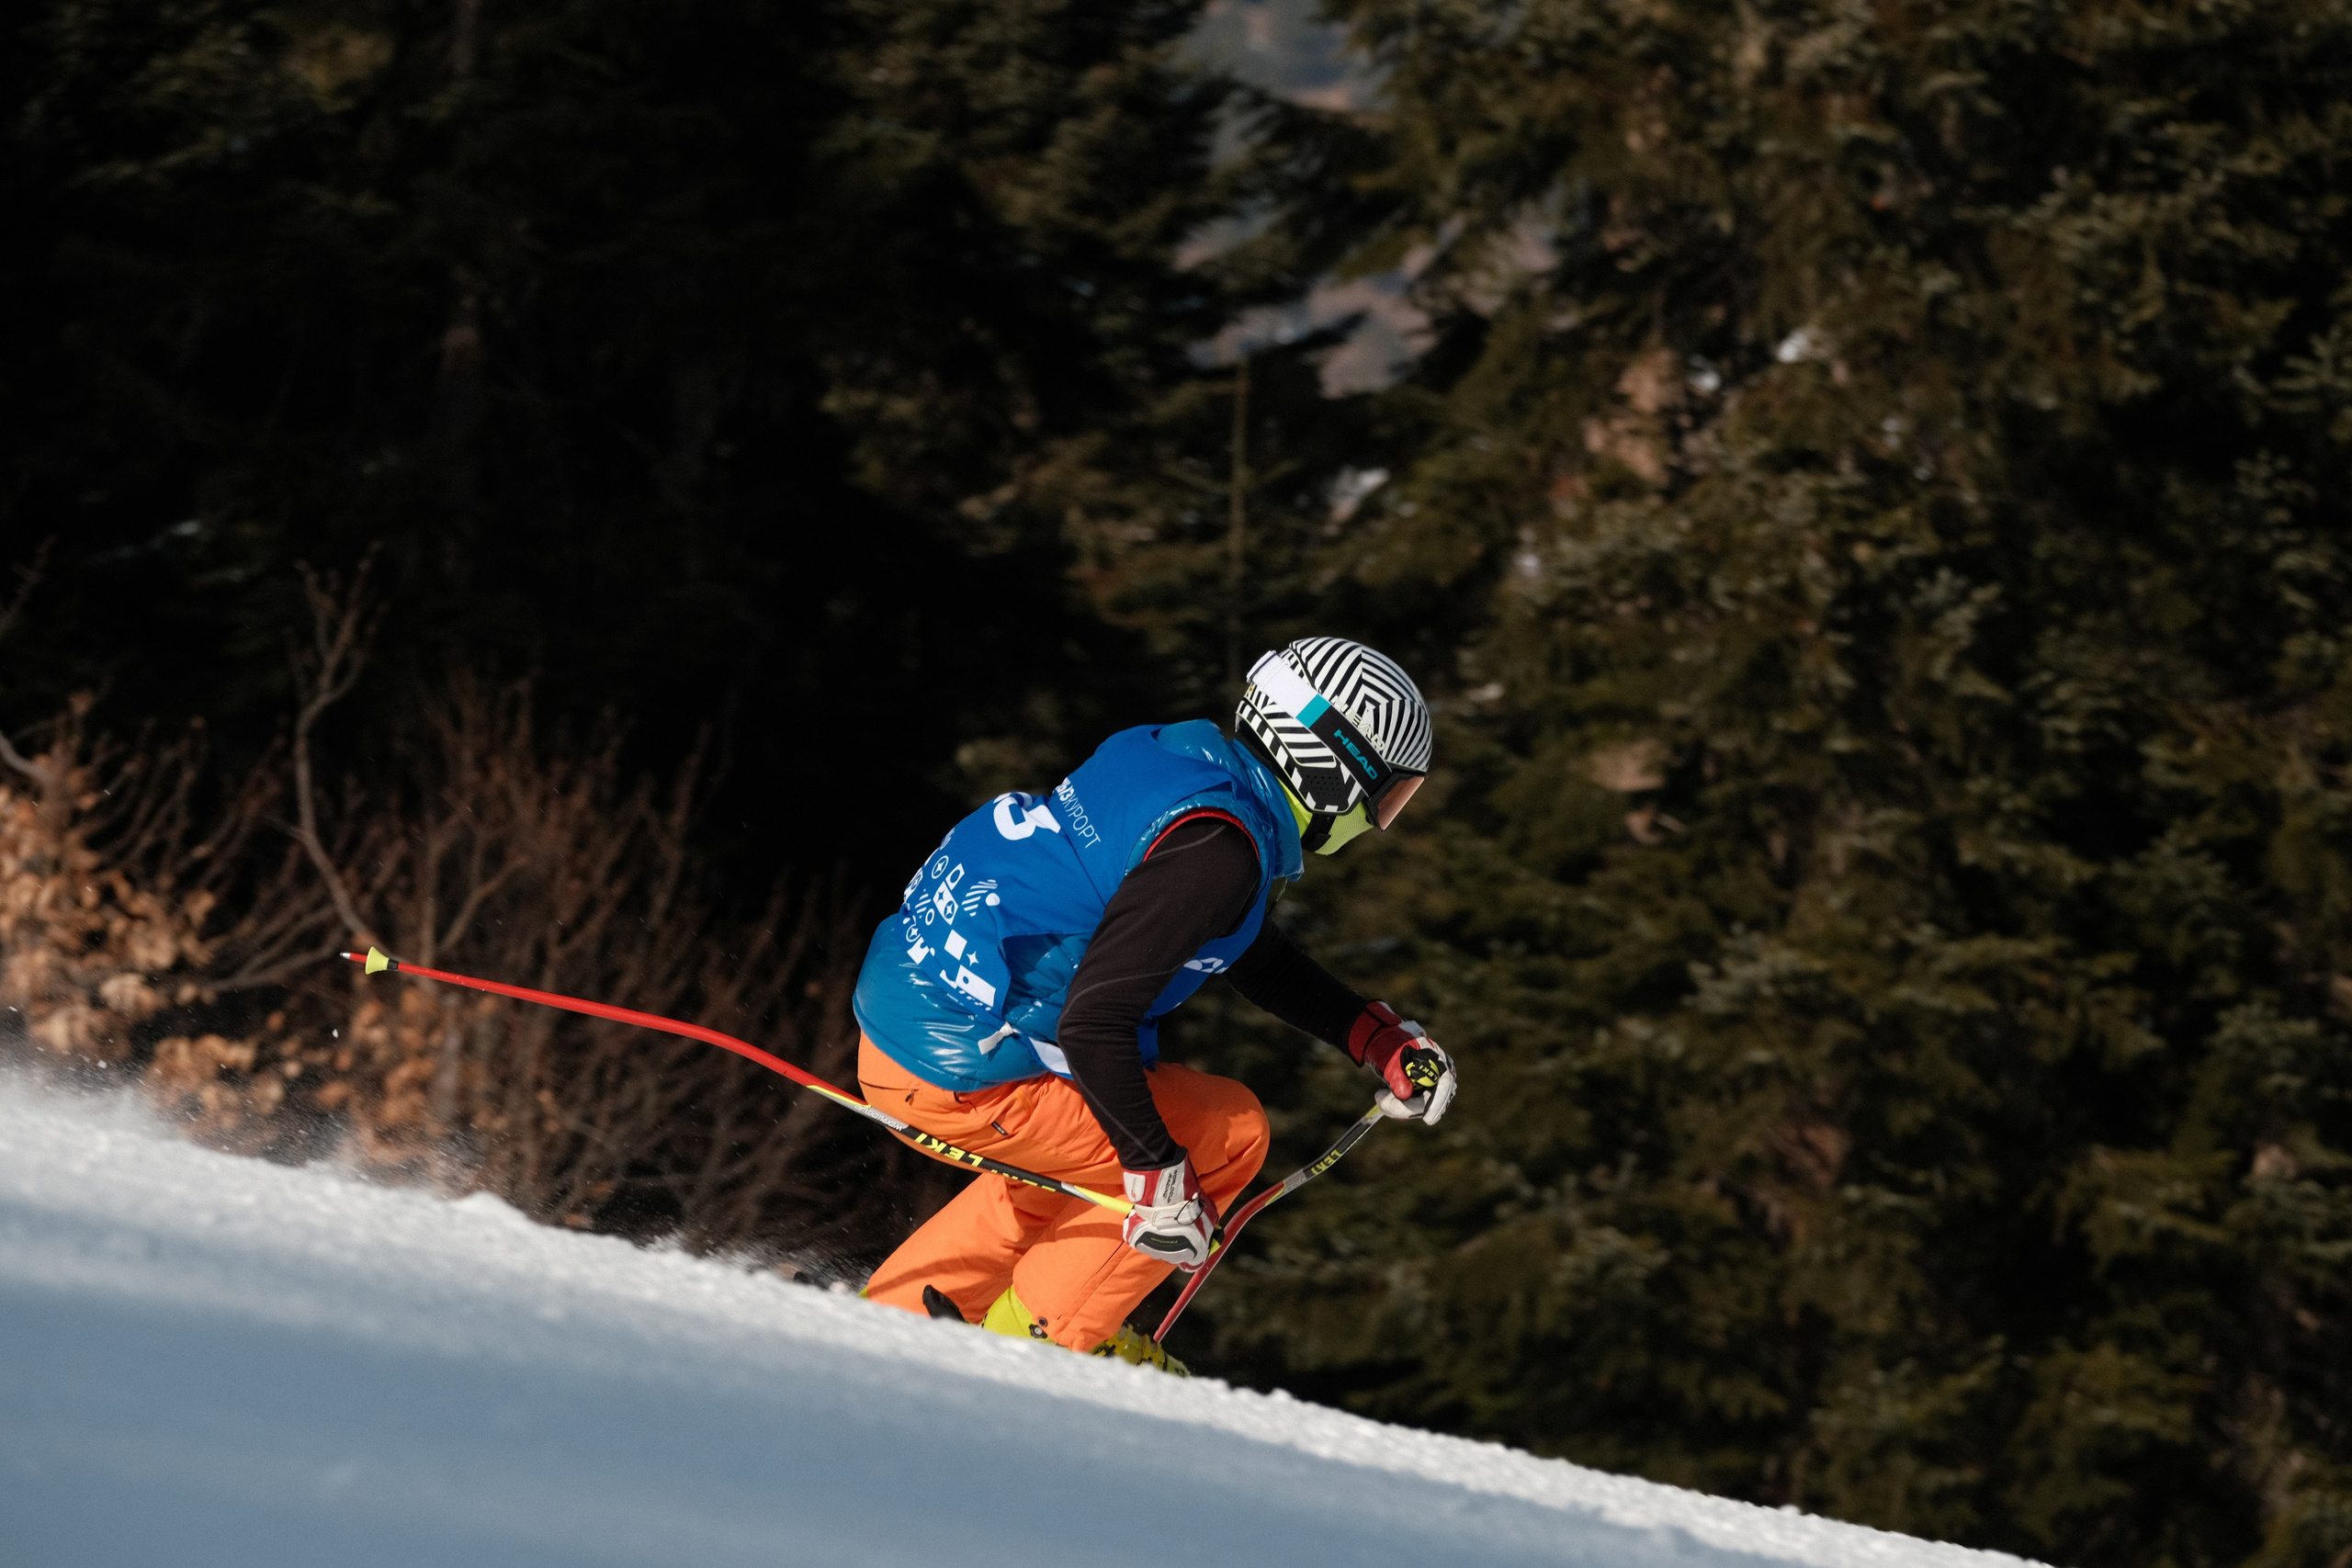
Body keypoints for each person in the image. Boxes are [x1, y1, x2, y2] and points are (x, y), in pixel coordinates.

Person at [853, 637, 1458, 1371]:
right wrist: (1158, 1176)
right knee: (1224, 1132)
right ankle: (1030, 1349)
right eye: (1386, 797)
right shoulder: (1218, 852)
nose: (1380, 820)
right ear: (1334, 771)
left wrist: (1373, 1036)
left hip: (910, 1023)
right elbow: (1094, 1022)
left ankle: (891, 1322)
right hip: (964, 1063)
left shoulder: (1185, 771)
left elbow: (1242, 948)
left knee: (1082, 1172)